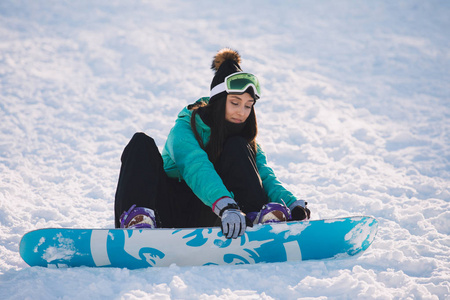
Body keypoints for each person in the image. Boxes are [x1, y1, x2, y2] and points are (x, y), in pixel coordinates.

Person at [114, 48, 310, 239]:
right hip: (168, 211)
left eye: (248, 106)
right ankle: (137, 221)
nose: (241, 112)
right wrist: (225, 204)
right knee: (141, 143)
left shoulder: (244, 138)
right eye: (235, 102)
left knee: (238, 146)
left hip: (217, 216)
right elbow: (195, 166)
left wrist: (292, 203)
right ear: (218, 101)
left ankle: (257, 219)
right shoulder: (184, 128)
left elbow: (264, 175)